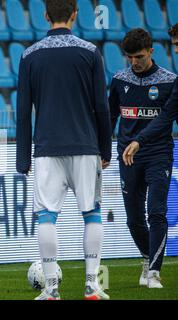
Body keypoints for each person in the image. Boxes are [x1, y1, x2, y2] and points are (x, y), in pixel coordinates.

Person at [16, 0, 112, 300]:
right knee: (92, 214)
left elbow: (22, 111)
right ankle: (91, 286)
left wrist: (22, 157)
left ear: (46, 15)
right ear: (74, 15)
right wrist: (105, 149)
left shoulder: (29, 55)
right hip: (85, 146)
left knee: (46, 216)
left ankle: (51, 289)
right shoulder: (90, 52)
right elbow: (101, 107)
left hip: (46, 147)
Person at [109, 28, 177, 289]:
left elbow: (168, 119)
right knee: (133, 219)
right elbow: (111, 116)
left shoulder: (169, 81)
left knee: (156, 212)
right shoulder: (119, 79)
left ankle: (154, 272)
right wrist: (105, 148)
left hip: (158, 153)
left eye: (139, 56)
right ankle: (148, 257)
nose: (134, 62)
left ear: (151, 51)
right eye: (129, 57)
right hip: (128, 156)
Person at [123, 23, 178, 163]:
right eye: (174, 45)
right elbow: (167, 114)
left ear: (150, 52)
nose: (176, 51)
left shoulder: (169, 80)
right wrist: (139, 141)